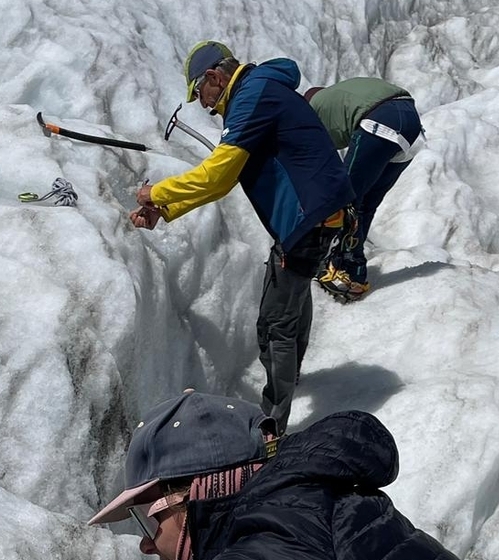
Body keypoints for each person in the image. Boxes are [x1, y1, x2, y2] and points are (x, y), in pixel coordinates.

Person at [129, 40, 356, 434]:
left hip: (308, 220)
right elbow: (227, 179)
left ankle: (272, 425)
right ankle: (288, 384)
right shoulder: (263, 88)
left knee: (275, 325)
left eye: (202, 95)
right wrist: (166, 211)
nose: (205, 106)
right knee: (291, 303)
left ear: (215, 78)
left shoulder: (252, 95)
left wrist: (157, 194)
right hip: (316, 218)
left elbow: (217, 175)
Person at [88, 389, 460, 560]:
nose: (146, 544)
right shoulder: (320, 507)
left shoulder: (280, 537)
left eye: (145, 517)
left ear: (199, 493)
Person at [305, 78, 424, 302]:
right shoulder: (344, 94)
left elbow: (319, 157)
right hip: (412, 129)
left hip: (380, 122)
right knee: (366, 203)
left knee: (344, 198)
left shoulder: (312, 108)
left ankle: (343, 270)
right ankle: (353, 270)